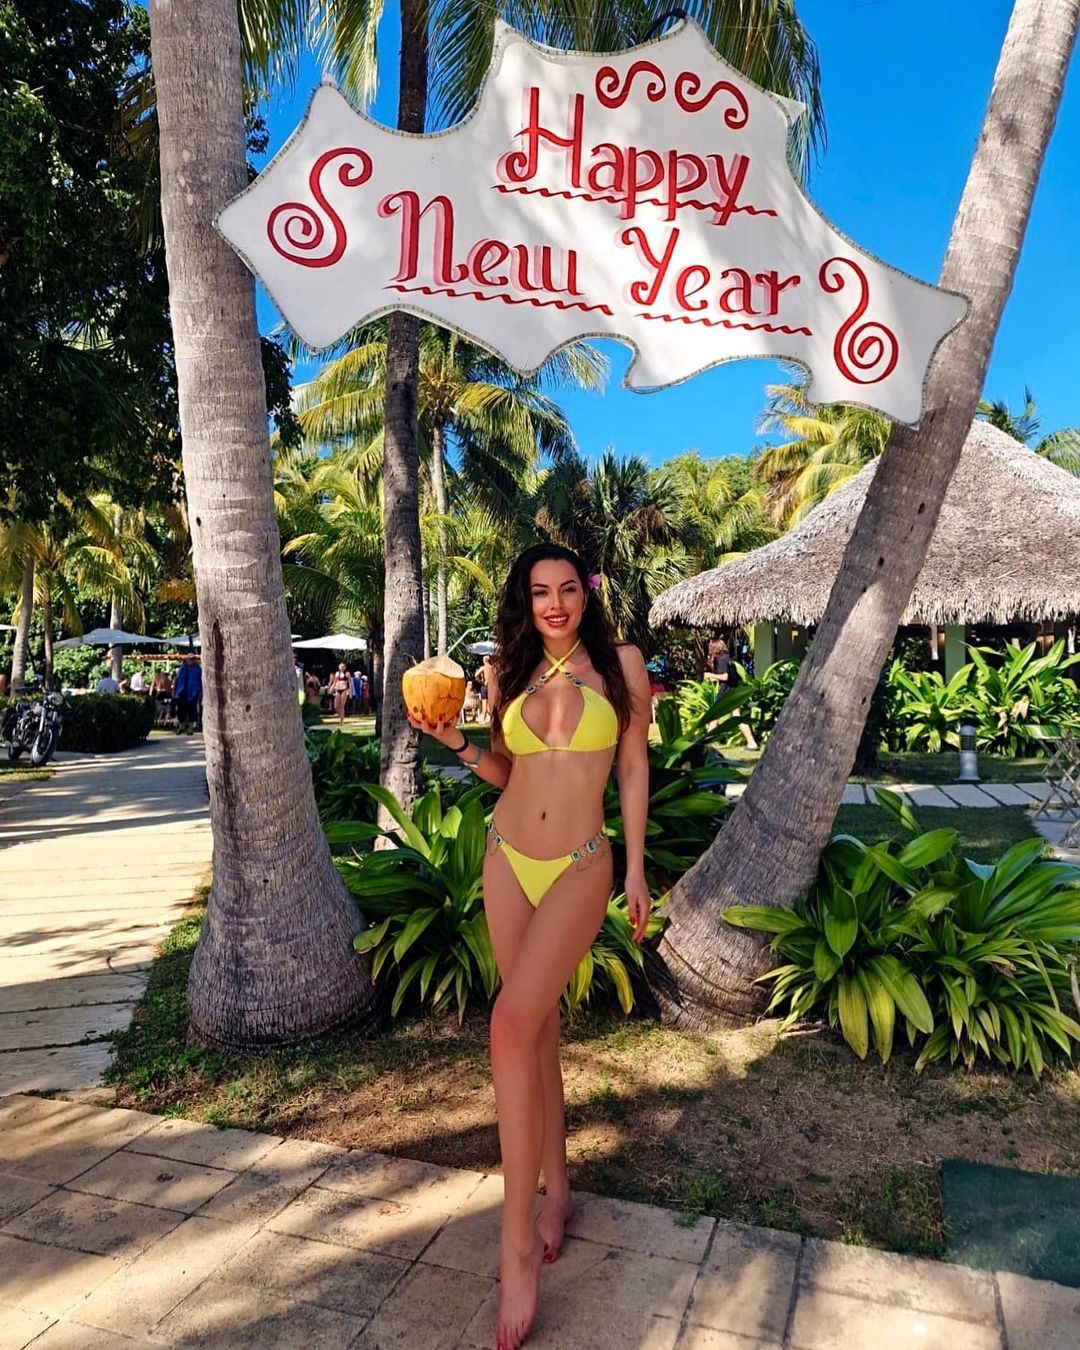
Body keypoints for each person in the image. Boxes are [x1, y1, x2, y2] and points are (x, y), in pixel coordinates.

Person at [408, 544, 650, 1350]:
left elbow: (631, 769)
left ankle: (516, 1248)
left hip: (581, 862)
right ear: (526, 599)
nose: (554, 604)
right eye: (540, 592)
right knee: (534, 1031)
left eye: (567, 590)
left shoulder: (620, 665)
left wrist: (637, 869)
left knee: (510, 1026)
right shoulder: (505, 671)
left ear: (586, 595)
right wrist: (454, 743)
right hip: (507, 858)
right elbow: (506, 772)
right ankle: (557, 1195)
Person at [173, 653, 202, 733]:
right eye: (190, 659)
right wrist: (174, 691)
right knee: (180, 710)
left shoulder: (197, 669)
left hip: (193, 692)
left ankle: (190, 728)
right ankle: (181, 726)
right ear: (186, 659)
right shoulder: (182, 668)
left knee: (192, 710)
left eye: (193, 659)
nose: (191, 660)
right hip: (182, 692)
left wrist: (200, 692)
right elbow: (176, 679)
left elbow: (201, 681)